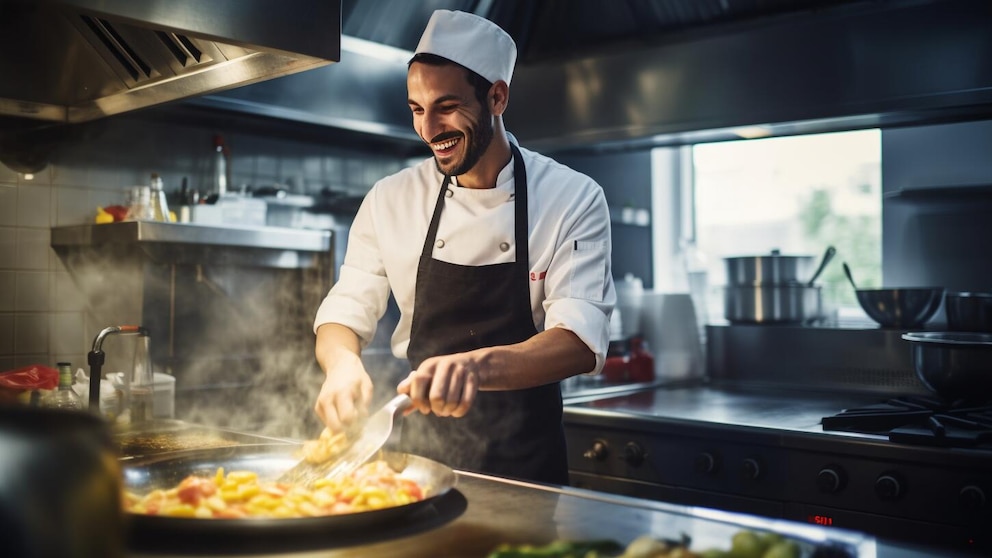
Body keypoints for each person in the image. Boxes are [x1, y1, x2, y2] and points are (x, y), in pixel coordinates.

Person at [312, 9, 615, 485]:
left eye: (446, 106)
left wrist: (476, 367)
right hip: (418, 465)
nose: (429, 129)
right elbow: (344, 311)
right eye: (416, 109)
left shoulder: (572, 197)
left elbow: (578, 343)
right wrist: (341, 364)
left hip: (525, 474)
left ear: (497, 96)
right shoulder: (390, 200)